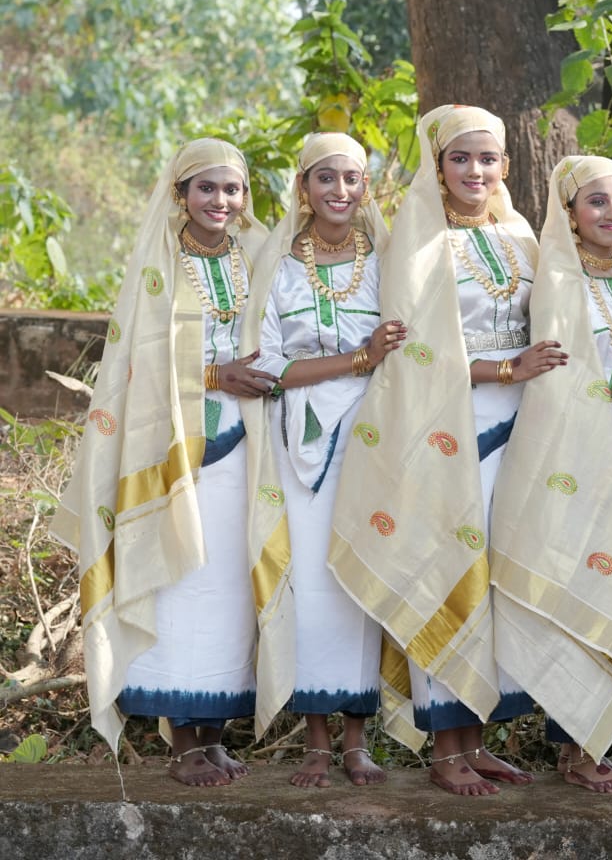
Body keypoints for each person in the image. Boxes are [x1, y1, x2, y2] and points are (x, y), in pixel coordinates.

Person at [328, 105, 558, 796]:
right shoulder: (418, 241)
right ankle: (443, 750)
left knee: (497, 577)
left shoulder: (521, 236)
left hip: (523, 423)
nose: (475, 171)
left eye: (487, 159)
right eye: (460, 158)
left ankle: (476, 740)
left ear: (506, 165)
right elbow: (416, 351)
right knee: (448, 565)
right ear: (438, 167)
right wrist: (506, 369)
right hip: (445, 423)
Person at [55, 138, 273, 786]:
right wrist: (215, 374)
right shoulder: (160, 262)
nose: (220, 200)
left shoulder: (257, 253)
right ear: (180, 194)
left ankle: (215, 736)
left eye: (231, 189)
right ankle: (182, 747)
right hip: (174, 451)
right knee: (179, 582)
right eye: (206, 188)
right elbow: (140, 363)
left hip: (244, 446)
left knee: (230, 591)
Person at [489, 155, 612, 793]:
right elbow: (563, 379)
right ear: (570, 213)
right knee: (586, 591)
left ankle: (600, 741)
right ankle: (576, 750)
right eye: (597, 201)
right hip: (580, 460)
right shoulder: (558, 278)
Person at [241, 132, 405, 787]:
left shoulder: (389, 262)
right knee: (310, 580)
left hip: (375, 433)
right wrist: (359, 358)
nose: (340, 190)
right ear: (303, 187)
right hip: (299, 438)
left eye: (352, 178)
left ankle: (358, 741)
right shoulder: (277, 266)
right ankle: (315, 742)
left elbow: (413, 349)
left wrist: (374, 365)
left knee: (359, 575)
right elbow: (268, 365)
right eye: (326, 178)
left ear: (366, 187)